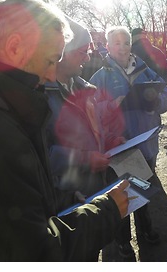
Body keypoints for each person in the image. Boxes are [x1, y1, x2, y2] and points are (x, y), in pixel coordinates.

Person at [0, 0, 129, 261]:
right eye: (51, 59)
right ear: (14, 47)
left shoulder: (9, 105)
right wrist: (105, 212)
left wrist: (107, 142)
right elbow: (34, 252)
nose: (51, 74)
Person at [90, 26, 167, 259]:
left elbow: (165, 96)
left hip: (146, 146)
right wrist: (111, 105)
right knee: (121, 197)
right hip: (120, 148)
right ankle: (123, 240)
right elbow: (92, 112)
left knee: (143, 191)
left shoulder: (145, 70)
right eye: (117, 43)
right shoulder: (100, 76)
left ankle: (146, 229)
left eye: (126, 42)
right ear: (107, 46)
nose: (123, 47)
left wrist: (156, 101)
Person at [45, 15, 125, 200]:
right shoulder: (41, 96)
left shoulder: (84, 89)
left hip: (96, 188)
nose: (88, 58)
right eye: (83, 52)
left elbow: (94, 131)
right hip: (69, 197)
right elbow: (39, 155)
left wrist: (110, 142)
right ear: (62, 52)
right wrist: (85, 160)